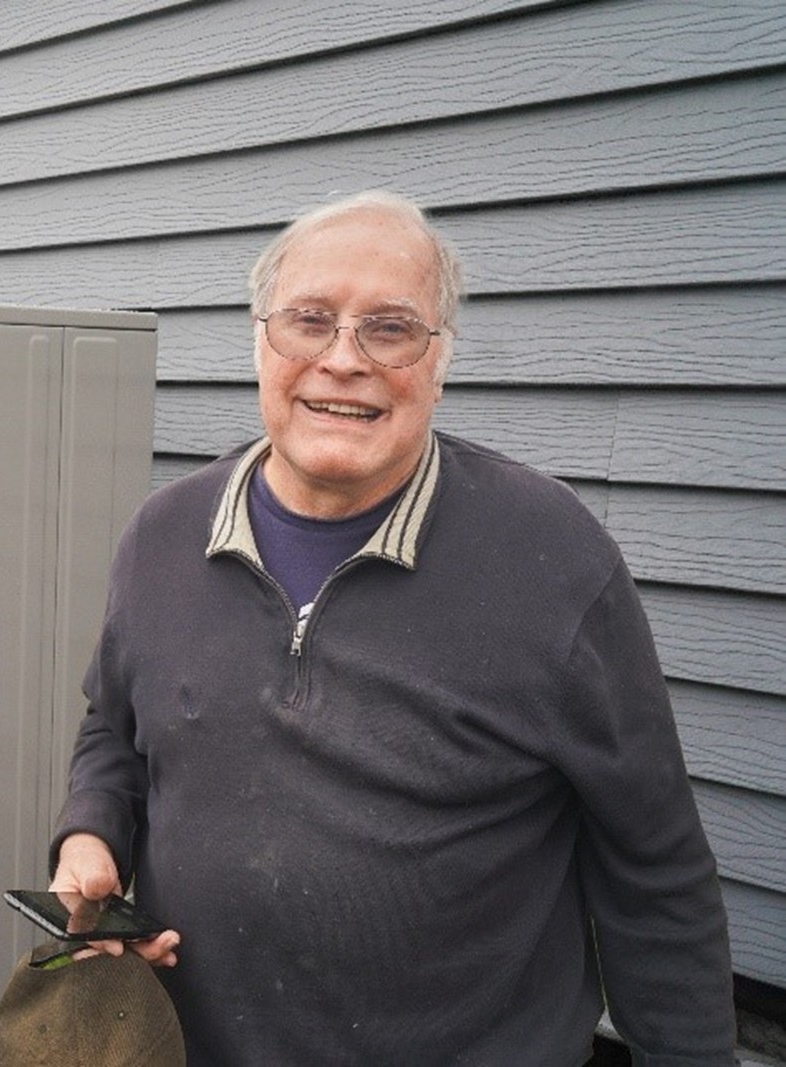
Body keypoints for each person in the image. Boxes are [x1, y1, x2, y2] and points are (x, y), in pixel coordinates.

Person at [49, 191, 737, 1065]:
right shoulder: (163, 534)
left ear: (440, 360)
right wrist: (90, 830)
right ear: (260, 340)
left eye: (390, 328)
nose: (343, 360)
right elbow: (114, 724)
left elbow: (658, 871)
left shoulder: (554, 560)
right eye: (310, 320)